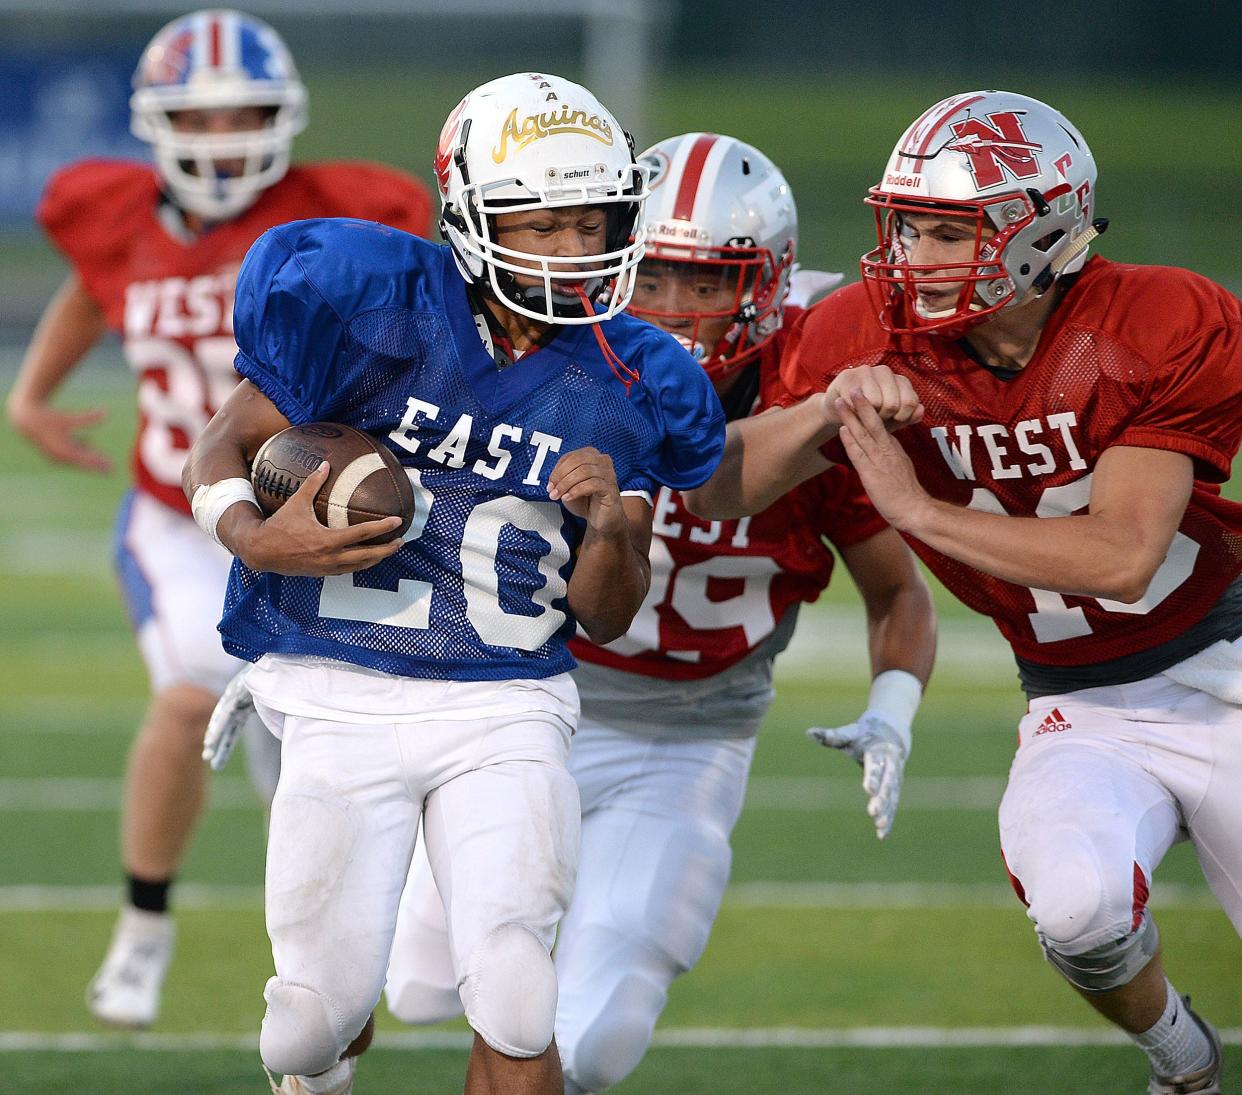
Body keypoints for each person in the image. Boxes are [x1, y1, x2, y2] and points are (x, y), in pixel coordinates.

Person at [684, 91, 1241, 1095]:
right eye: (905, 228)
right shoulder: (862, 333)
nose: (914, 258)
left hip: (1225, 663)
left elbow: (1120, 555)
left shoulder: (1158, 318)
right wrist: (823, 409)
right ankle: (1185, 1062)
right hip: (1077, 696)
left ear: (1047, 232)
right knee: (1077, 910)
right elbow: (720, 488)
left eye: (948, 232)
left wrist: (921, 511)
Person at [183, 72, 725, 1095]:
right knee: (306, 1025)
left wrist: (611, 524)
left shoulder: (637, 375)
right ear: (471, 217)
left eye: (592, 223)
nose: (573, 251)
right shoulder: (366, 302)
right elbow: (220, 443)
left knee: (519, 992)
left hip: (509, 701)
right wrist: (253, 538)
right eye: (544, 224)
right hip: (341, 688)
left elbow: (608, 611)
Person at [380, 133, 937, 1094]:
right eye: (657, 279)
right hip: (532, 701)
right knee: (415, 985)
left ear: (764, 286)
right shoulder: (551, 367)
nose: (676, 311)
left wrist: (894, 705)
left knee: (593, 1038)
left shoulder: (812, 416)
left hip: (688, 737)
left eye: (706, 284)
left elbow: (897, 590)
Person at [3, 9, 433, 1033]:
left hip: (306, 511)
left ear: (285, 118)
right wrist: (31, 394)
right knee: (194, 689)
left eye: (246, 114)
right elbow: (94, 287)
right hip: (175, 510)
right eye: (201, 117)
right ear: (155, 125)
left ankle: (338, 963)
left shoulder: (335, 218)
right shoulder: (115, 216)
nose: (225, 136)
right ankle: (145, 924)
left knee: (318, 743)